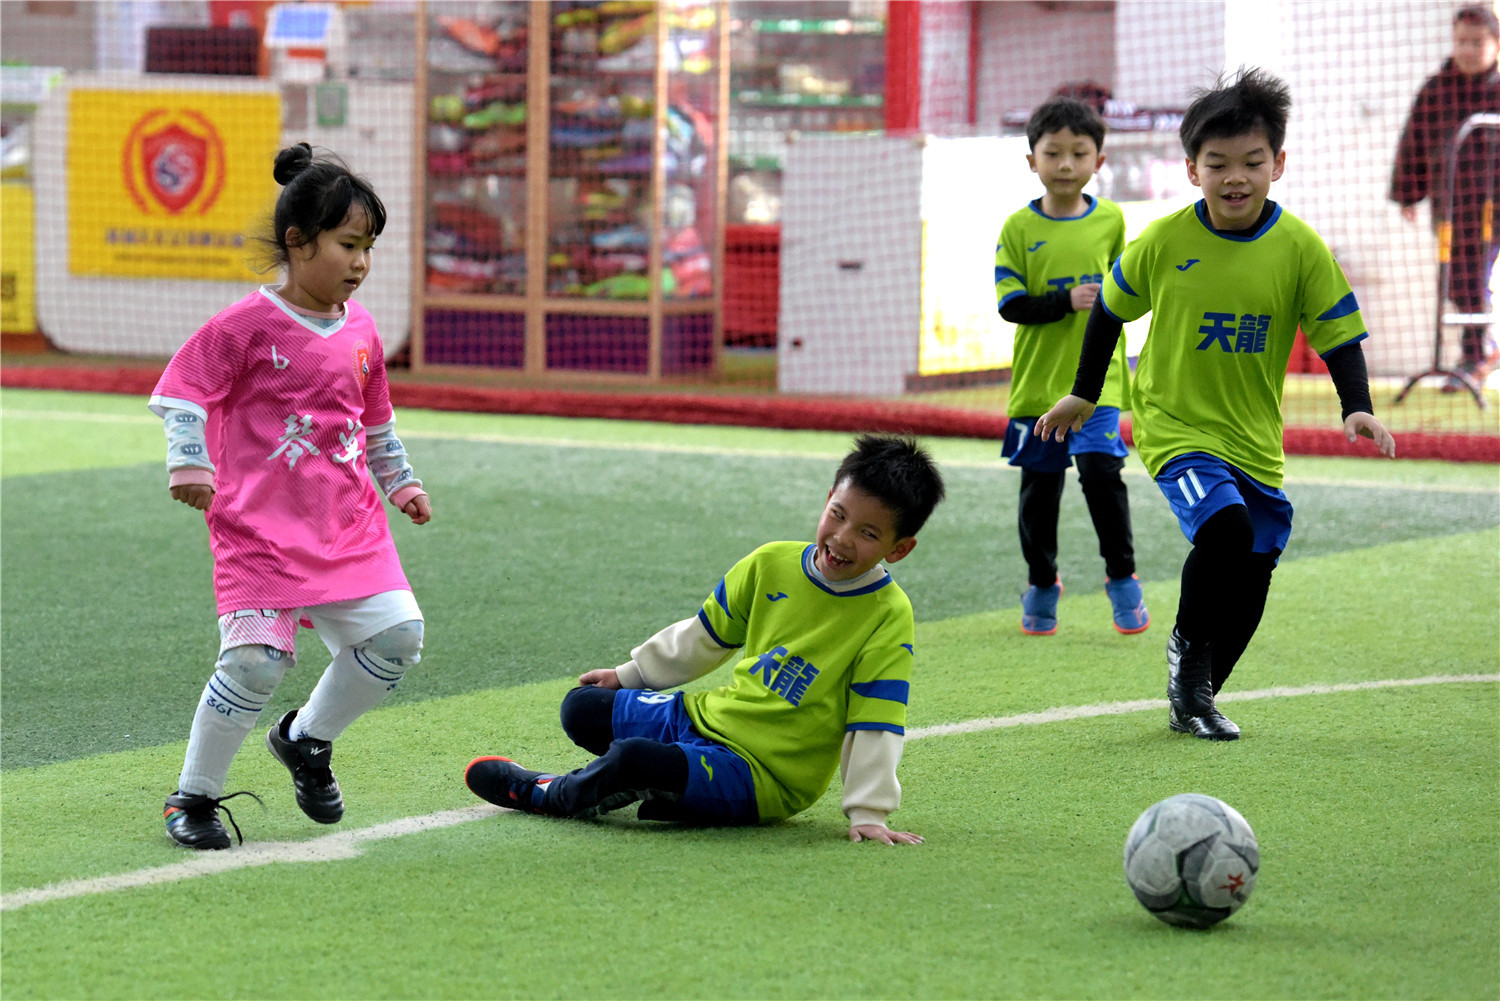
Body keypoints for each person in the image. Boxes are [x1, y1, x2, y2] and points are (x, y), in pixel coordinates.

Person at [1037, 68, 1396, 741]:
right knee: (1226, 530)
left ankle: (1198, 697)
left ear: (1278, 164)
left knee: (1255, 562)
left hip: (1253, 438)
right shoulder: (1164, 240)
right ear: (1191, 169)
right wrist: (1085, 392)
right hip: (1175, 426)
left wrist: (1357, 404)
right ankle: (1187, 663)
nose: (1236, 177)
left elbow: (1338, 334)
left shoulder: (1300, 248)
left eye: (1252, 162)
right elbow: (1109, 310)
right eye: (1218, 163)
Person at [150, 143, 432, 849]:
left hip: (350, 528)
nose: (361, 263)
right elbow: (181, 391)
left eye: (368, 248)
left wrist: (401, 481)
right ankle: (192, 797)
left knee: (398, 637)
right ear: (299, 243)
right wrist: (189, 462)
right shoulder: (243, 325)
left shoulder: (362, 330)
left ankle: (306, 739)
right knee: (254, 663)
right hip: (258, 534)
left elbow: (375, 423)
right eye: (348, 245)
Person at [465, 434, 946, 844]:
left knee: (633, 759)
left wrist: (868, 812)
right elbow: (704, 636)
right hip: (705, 719)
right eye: (838, 514)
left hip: (764, 776)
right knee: (583, 708)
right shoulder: (771, 563)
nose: (842, 538)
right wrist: (629, 675)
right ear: (827, 500)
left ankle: (550, 794)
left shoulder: (888, 615)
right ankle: (671, 785)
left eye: (867, 533)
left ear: (899, 549)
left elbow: (877, 719)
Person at [995, 96, 1147, 637]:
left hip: (1098, 384)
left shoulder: (1111, 220)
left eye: (1078, 153)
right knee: (1040, 491)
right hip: (1038, 389)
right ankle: (1041, 582)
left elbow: (1127, 291)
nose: (1065, 164)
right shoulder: (1017, 227)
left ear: (1097, 161)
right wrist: (1066, 301)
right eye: (1053, 153)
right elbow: (1010, 304)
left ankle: (1122, 577)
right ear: (1031, 160)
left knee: (1102, 476)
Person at [1390, 4, 1500, 387]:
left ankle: (1475, 355)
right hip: (1451, 205)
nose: (1468, 50)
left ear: (1496, 44)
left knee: (1477, 276)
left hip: (1494, 207)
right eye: (1461, 42)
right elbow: (1414, 143)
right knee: (1454, 280)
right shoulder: (1436, 91)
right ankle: (1481, 351)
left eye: (1477, 42)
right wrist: (1408, 193)